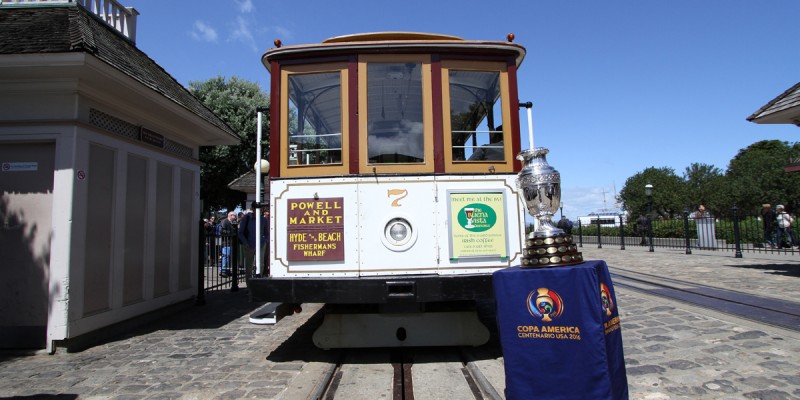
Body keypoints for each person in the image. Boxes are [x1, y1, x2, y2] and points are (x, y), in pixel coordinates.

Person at [238, 208, 269, 277]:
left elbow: (266, 232)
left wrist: (265, 241)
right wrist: (245, 243)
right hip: (249, 244)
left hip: (261, 244)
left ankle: (259, 280)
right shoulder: (246, 218)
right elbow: (240, 232)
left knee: (261, 263)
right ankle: (249, 282)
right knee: (249, 265)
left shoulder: (263, 219)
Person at [219, 211, 237, 277]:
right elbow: (221, 231)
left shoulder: (232, 222)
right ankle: (223, 270)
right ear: (230, 215)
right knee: (226, 256)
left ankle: (227, 270)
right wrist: (230, 233)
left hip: (231, 242)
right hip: (226, 242)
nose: (235, 217)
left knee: (229, 257)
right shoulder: (225, 221)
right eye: (234, 216)